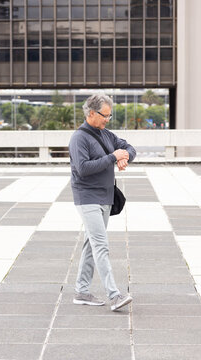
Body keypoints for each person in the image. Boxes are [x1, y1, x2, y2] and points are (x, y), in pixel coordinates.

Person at [69, 94, 136, 312]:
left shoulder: (106, 135)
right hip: (87, 197)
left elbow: (127, 147)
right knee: (100, 244)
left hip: (105, 196)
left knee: (91, 244)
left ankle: (81, 291)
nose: (108, 119)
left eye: (109, 115)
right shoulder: (79, 138)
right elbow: (83, 168)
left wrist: (124, 156)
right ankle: (114, 296)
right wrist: (112, 157)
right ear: (91, 113)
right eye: (104, 115)